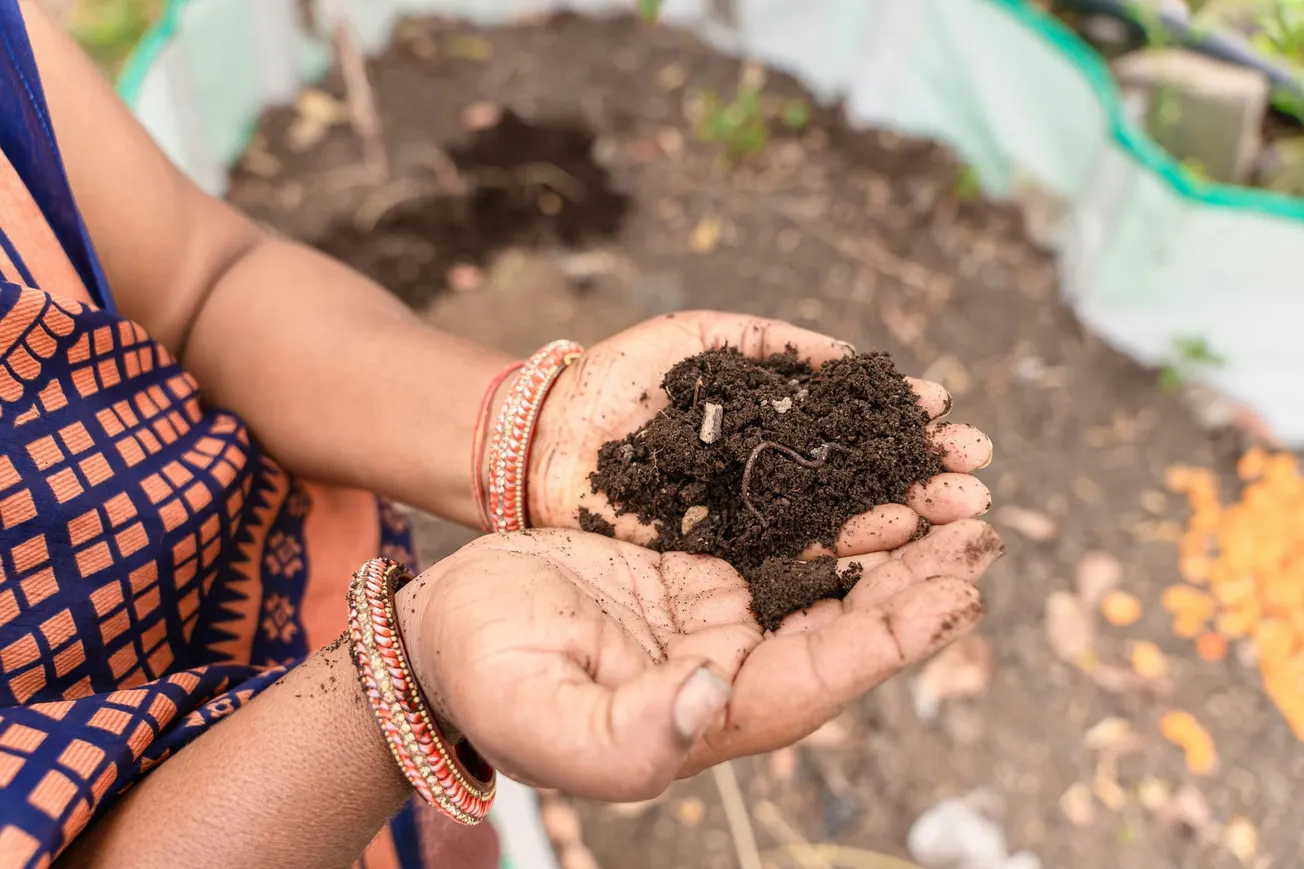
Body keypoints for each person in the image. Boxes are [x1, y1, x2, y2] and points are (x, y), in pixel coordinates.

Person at [0, 1, 1000, 867]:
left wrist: (526, 434)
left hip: (319, 613)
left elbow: (197, 283)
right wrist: (407, 684)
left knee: (451, 832)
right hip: (286, 799)